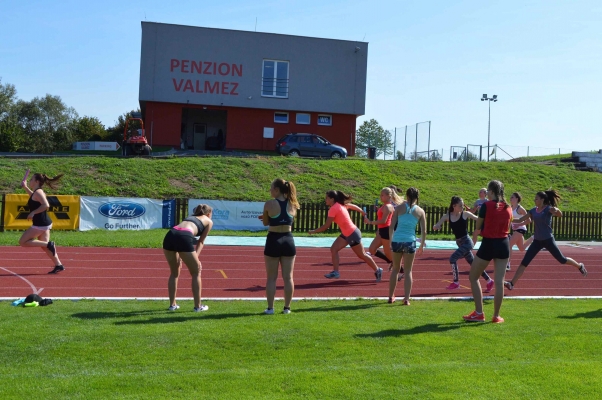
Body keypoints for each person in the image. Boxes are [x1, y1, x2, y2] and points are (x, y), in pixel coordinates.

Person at [504, 190, 587, 291]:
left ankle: (579, 265)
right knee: (524, 262)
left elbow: (560, 215)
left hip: (548, 240)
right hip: (537, 241)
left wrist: (556, 210)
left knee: (562, 259)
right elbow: (520, 220)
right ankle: (512, 284)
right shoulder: (533, 210)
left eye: (537, 199)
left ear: (542, 200)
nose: (534, 200)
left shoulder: (548, 209)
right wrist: (508, 219)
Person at [463, 180, 512, 324]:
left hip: (489, 243)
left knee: (473, 277)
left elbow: (478, 225)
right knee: (499, 282)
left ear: (490, 192)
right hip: (503, 244)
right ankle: (496, 316)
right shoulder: (508, 207)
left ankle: (479, 313)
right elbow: (508, 225)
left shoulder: (486, 205)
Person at [309, 190, 382, 281]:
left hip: (352, 234)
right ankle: (336, 272)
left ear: (332, 199)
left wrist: (314, 231)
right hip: (346, 233)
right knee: (334, 249)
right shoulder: (339, 205)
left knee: (362, 255)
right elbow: (351, 206)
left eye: (327, 198)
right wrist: (361, 211)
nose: (325, 199)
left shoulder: (334, 208)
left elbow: (326, 226)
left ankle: (378, 270)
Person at [433, 196, 494, 292]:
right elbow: (437, 225)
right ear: (454, 206)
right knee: (474, 264)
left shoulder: (465, 214)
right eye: (460, 206)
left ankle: (456, 282)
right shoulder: (447, 216)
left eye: (463, 205)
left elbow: (478, 219)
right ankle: (489, 281)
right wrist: (436, 226)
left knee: (453, 258)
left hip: (467, 242)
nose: (462, 207)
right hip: (459, 243)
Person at [259, 178, 299, 315]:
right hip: (288, 239)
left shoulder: (269, 203)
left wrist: (267, 217)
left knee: (271, 277)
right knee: (288, 277)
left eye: (271, 188)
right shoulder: (293, 204)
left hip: (273, 239)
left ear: (276, 190)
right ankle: (287, 308)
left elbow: (265, 222)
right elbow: (288, 220)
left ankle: (270, 308)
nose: (270, 191)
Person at [162, 204, 213, 312]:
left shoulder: (191, 217)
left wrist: (185, 256)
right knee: (196, 271)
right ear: (208, 214)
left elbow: (180, 235)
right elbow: (201, 242)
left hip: (170, 235)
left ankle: (172, 305)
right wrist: (196, 259)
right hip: (183, 237)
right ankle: (198, 307)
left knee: (174, 273)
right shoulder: (208, 221)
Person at [19, 173, 65, 274]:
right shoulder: (36, 192)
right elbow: (33, 197)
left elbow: (46, 205)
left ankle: (49, 244)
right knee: (45, 247)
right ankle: (59, 265)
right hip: (44, 223)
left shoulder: (39, 192)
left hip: (40, 224)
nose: (30, 181)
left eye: (31, 179)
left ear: (37, 182)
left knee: (22, 242)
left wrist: (33, 212)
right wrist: (26, 187)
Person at [388, 187, 427, 305]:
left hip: (397, 240)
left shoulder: (399, 208)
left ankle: (390, 296)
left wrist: (391, 241)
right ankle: (406, 299)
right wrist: (421, 246)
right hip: (410, 241)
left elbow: (391, 226)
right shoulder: (420, 211)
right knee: (408, 270)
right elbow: (423, 231)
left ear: (407, 195)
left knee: (395, 269)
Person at [364, 187, 404, 281]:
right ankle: (394, 265)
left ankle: (400, 270)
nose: (380, 197)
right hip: (382, 231)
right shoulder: (384, 206)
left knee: (388, 253)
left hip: (386, 231)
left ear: (388, 196)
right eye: (380, 195)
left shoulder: (388, 206)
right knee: (372, 249)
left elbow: (383, 221)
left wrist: (370, 222)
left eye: (382, 195)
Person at [506, 192, 534, 271]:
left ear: (517, 199)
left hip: (521, 229)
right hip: (515, 229)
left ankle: (508, 264)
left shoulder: (520, 209)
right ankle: (533, 238)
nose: (510, 199)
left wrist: (520, 224)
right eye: (511, 197)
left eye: (512, 197)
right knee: (521, 248)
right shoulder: (510, 208)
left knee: (509, 244)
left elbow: (529, 220)